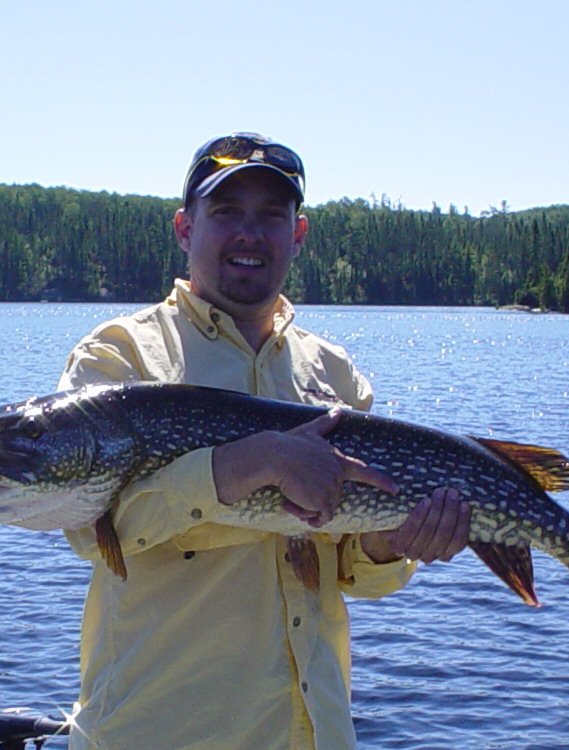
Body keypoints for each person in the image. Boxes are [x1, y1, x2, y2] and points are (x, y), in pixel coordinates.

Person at [57, 132, 472, 750]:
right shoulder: (121, 357)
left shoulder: (333, 376)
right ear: (184, 228)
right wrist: (246, 464)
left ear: (297, 235)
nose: (249, 234)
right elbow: (93, 530)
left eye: (271, 217)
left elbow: (354, 572)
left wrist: (391, 544)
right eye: (226, 213)